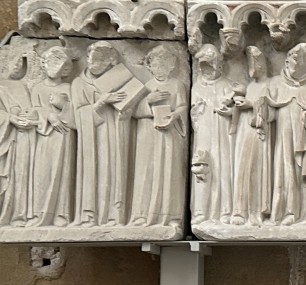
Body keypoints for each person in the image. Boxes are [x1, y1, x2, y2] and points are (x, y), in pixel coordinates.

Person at [72, 41, 136, 226]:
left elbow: (128, 109)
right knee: (92, 173)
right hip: (91, 139)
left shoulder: (119, 81)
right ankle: (89, 216)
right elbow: (77, 117)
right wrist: (101, 102)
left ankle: (114, 216)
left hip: (114, 133)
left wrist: (124, 112)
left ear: (110, 62)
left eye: (101, 61)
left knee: (114, 171)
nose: (94, 64)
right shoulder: (78, 83)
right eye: (92, 59)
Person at [130, 45, 188, 227]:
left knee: (170, 170)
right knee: (146, 171)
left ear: (171, 66)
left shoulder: (177, 85)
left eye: (164, 64)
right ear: (150, 67)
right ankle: (142, 214)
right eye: (156, 65)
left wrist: (175, 115)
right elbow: (134, 111)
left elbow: (183, 106)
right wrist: (148, 101)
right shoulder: (147, 87)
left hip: (170, 132)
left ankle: (171, 215)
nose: (160, 68)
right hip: (148, 133)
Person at [267, 43, 306, 225]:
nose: (297, 64)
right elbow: (269, 114)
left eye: (304, 62)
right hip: (283, 136)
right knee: (284, 169)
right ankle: (286, 210)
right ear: (287, 60)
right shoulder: (275, 83)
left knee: (302, 171)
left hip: (304, 137)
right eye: (294, 59)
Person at [0, 50, 35, 226]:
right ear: (3, 64)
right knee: (0, 175)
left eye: (21, 63)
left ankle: (19, 215)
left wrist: (30, 117)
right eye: (14, 61)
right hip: (5, 138)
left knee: (22, 175)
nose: (18, 66)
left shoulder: (23, 86)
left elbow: (32, 108)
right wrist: (10, 117)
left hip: (24, 137)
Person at [30, 47, 76, 227]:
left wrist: (63, 105)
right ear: (44, 64)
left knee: (62, 172)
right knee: (41, 173)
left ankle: (61, 213)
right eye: (51, 62)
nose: (54, 68)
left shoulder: (68, 87)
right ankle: (39, 213)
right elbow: (33, 109)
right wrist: (49, 115)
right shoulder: (37, 88)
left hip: (64, 135)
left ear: (66, 68)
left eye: (59, 64)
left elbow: (76, 113)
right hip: (44, 136)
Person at [190, 44, 236, 224]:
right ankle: (201, 211)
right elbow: (194, 113)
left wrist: (229, 111)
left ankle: (225, 210)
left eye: (211, 65)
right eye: (204, 66)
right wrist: (198, 110)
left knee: (224, 169)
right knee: (202, 169)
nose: (208, 70)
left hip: (223, 135)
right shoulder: (197, 87)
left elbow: (237, 111)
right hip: (204, 133)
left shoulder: (227, 85)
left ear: (219, 65)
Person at [232, 46, 274, 226]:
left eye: (253, 63)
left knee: (256, 169)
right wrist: (238, 103)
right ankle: (241, 211)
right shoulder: (250, 86)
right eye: (249, 63)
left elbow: (273, 111)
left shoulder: (270, 84)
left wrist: (252, 105)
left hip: (260, 134)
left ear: (261, 65)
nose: (252, 67)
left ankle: (256, 212)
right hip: (245, 132)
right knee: (243, 168)